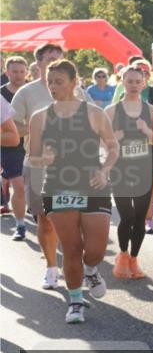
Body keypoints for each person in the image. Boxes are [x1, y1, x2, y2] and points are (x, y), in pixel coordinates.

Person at [27, 59, 117, 323]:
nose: (53, 87)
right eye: (49, 82)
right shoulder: (40, 116)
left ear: (74, 82)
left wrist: (105, 171)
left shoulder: (93, 113)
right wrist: (43, 159)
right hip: (57, 186)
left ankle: (91, 270)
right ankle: (76, 301)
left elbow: (113, 147)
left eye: (59, 82)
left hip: (93, 184)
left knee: (96, 249)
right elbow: (32, 157)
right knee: (71, 247)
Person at [10, 43, 91, 289]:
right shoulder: (26, 93)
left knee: (76, 220)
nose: (55, 62)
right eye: (50, 59)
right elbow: (12, 128)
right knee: (45, 220)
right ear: (39, 64)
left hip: (75, 166)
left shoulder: (80, 93)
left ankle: (77, 264)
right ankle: (51, 267)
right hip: (38, 165)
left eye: (59, 58)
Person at [107, 65, 153, 279]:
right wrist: (116, 139)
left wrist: (146, 131)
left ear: (144, 83)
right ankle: (122, 255)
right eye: (129, 81)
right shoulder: (112, 111)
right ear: (121, 81)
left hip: (143, 170)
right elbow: (98, 144)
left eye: (137, 81)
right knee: (127, 217)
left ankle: (133, 259)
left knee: (140, 217)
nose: (133, 85)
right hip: (120, 171)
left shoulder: (150, 110)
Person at [2, 56, 30, 241]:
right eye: (14, 71)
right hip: (10, 147)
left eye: (22, 71)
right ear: (7, 72)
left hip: (35, 146)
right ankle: (20, 224)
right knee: (18, 186)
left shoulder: (34, 92)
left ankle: (43, 218)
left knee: (34, 187)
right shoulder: (1, 95)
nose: (19, 75)